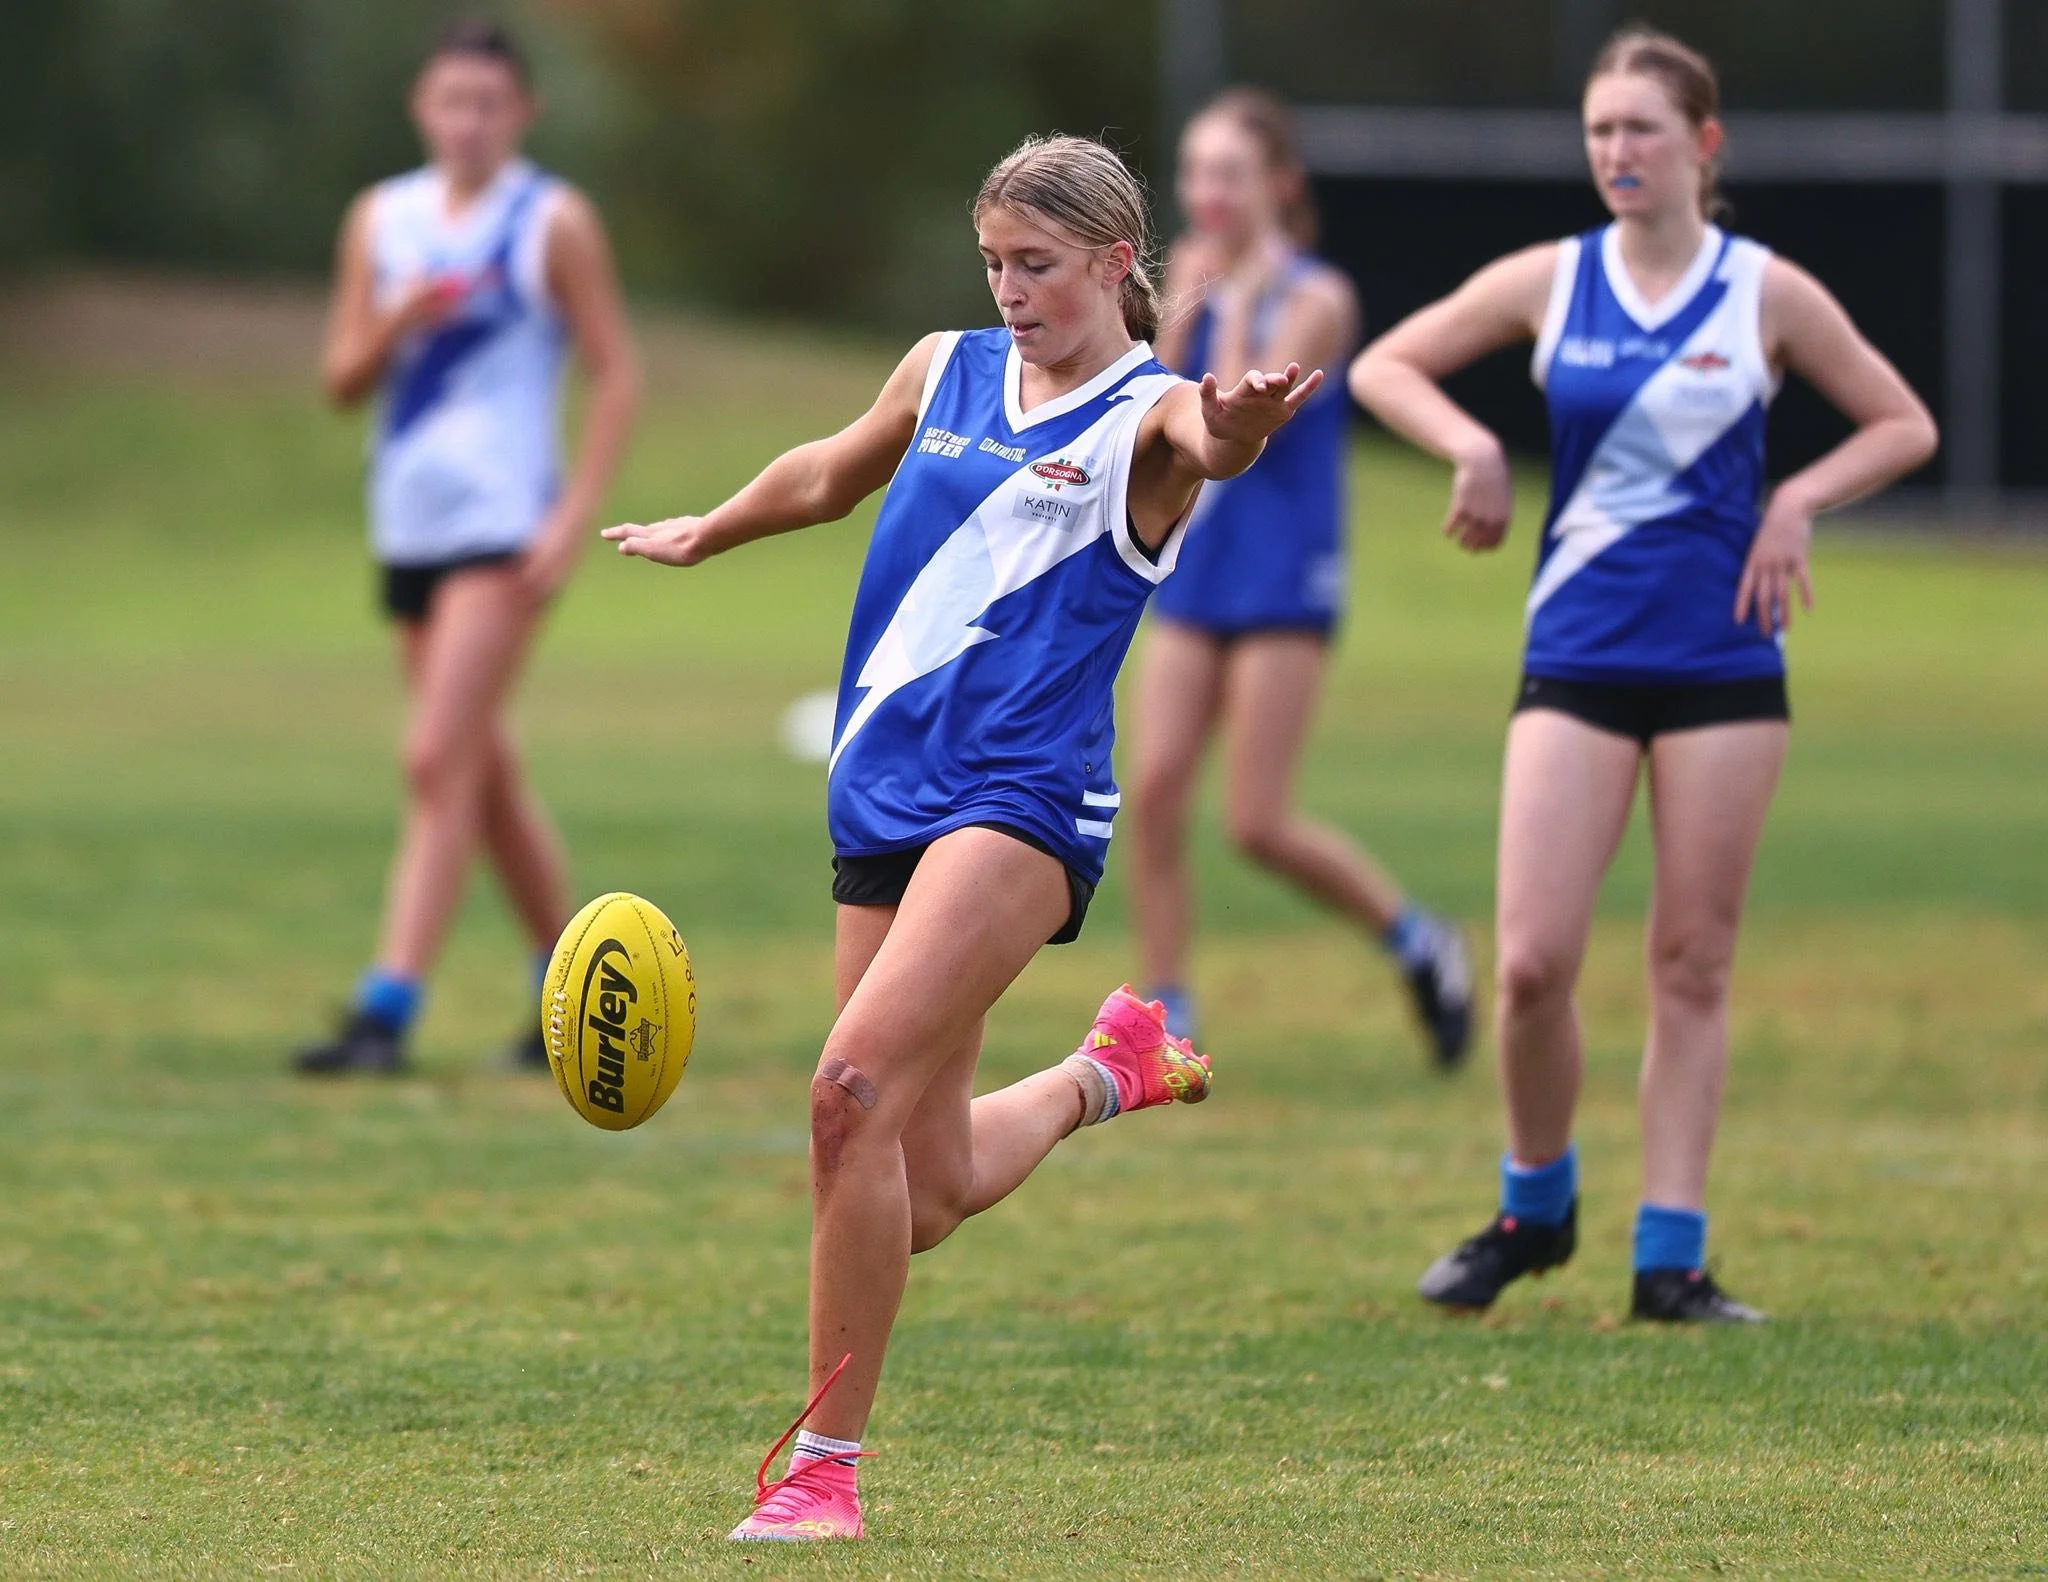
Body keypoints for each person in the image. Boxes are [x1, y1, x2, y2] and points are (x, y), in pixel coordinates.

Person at [605, 134, 1321, 1541]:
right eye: (994, 261)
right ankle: (1102, 1072)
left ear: (1119, 263)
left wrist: (1239, 423)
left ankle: (823, 1470)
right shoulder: (943, 367)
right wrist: (713, 527)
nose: (1009, 289)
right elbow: (828, 473)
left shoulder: (1149, 411)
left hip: (1023, 801)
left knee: (844, 1095)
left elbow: (1211, 444)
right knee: (918, 1185)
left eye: (1038, 264)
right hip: (881, 789)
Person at [1348, 26, 1936, 1322]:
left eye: (1642, 130)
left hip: (1726, 656)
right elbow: (1387, 364)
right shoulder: (1556, 279)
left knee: (1690, 961)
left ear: (1702, 145)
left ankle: (1671, 1257)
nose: (1616, 151)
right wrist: (1470, 447)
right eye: (1601, 129)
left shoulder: (1762, 290)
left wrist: (1799, 500)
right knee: (1531, 964)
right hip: (1577, 651)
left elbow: (1904, 422)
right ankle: (1534, 1204)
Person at [294, 17, 639, 1075]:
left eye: (490, 103)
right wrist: (396, 319)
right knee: (477, 770)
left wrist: (570, 515)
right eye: (452, 101)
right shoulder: (381, 220)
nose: (470, 122)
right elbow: (340, 383)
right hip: (409, 523)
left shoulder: (551, 220)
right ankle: (575, 981)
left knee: (435, 755)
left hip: (503, 529)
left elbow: (614, 370)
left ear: (520, 113)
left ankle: (385, 1007)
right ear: (420, 107)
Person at [1132, 87, 1473, 1063]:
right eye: (1196, 173)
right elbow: (1149, 403)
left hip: (1284, 575)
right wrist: (1180, 306)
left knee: (1255, 819)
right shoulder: (1192, 279)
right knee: (1151, 790)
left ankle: (1418, 941)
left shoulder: (1317, 297)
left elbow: (1243, 412)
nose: (1208, 194)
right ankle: (1165, 1020)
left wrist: (1230, 306)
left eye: (1228, 175)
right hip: (1196, 567)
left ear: (1277, 185)